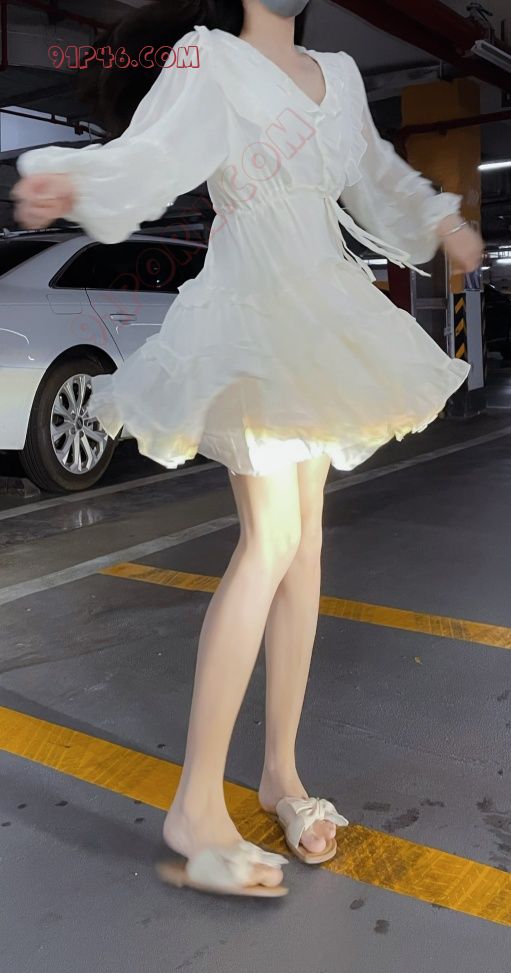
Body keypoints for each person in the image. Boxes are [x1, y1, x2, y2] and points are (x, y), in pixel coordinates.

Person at [11, 0, 484, 899]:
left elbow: (373, 172)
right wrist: (73, 181)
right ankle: (195, 809)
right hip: (252, 318)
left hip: (321, 313)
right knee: (270, 541)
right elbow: (154, 152)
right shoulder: (209, 59)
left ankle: (281, 776)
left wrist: (441, 220)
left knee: (305, 549)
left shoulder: (337, 76)